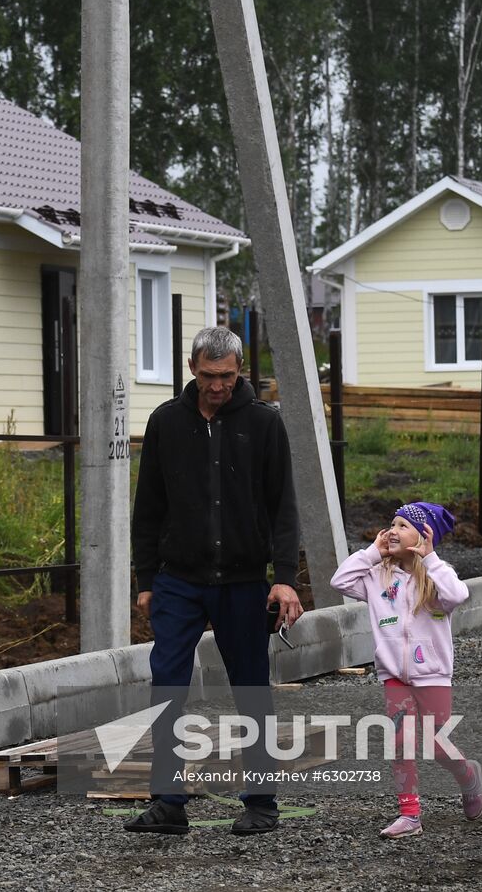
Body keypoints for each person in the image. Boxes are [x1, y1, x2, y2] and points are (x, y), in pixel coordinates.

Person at [125, 326, 304, 837]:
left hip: (243, 582)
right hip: (178, 580)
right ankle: (168, 803)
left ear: (239, 370)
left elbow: (283, 507)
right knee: (167, 685)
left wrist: (284, 578)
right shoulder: (166, 422)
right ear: (192, 368)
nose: (218, 385)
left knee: (250, 689)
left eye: (227, 376)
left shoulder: (264, 424)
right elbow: (148, 506)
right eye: (208, 375)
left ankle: (261, 801)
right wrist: (145, 579)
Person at [330, 502, 482, 838]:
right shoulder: (377, 576)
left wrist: (430, 560)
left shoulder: (436, 576)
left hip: (432, 674)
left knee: (435, 743)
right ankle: (410, 814)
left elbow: (459, 594)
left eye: (403, 526)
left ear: (424, 536)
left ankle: (467, 775)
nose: (393, 531)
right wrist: (372, 553)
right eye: (392, 524)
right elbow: (339, 581)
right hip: (394, 675)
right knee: (399, 740)